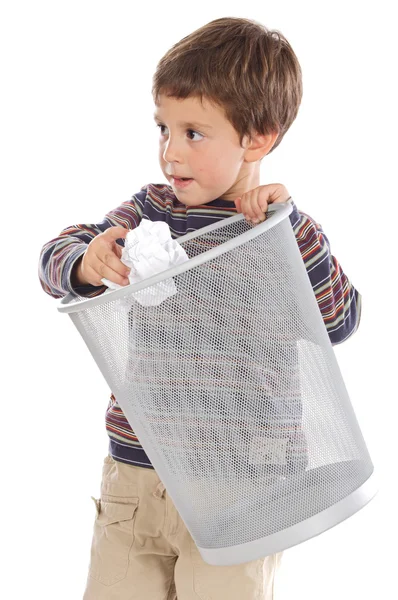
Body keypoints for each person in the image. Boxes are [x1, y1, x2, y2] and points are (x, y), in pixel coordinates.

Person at [38, 16, 362, 600]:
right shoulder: (150, 214)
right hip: (138, 472)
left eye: (194, 133)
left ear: (257, 138)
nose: (170, 152)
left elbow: (339, 321)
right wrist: (87, 262)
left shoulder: (277, 231)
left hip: (247, 485)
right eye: (163, 127)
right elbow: (56, 255)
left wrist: (294, 232)